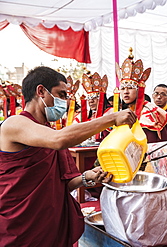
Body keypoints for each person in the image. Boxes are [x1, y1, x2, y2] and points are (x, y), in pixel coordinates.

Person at [0, 66, 136, 246]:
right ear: (41, 91)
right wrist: (111, 118)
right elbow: (59, 139)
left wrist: (88, 177)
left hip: (48, 221)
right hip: (20, 224)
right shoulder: (14, 123)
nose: (65, 102)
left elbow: (60, 183)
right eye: (62, 95)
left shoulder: (46, 131)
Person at [116, 49, 167, 143]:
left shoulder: (148, 111)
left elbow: (150, 141)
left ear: (139, 89)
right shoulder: (124, 110)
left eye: (130, 88)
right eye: (123, 88)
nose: (126, 92)